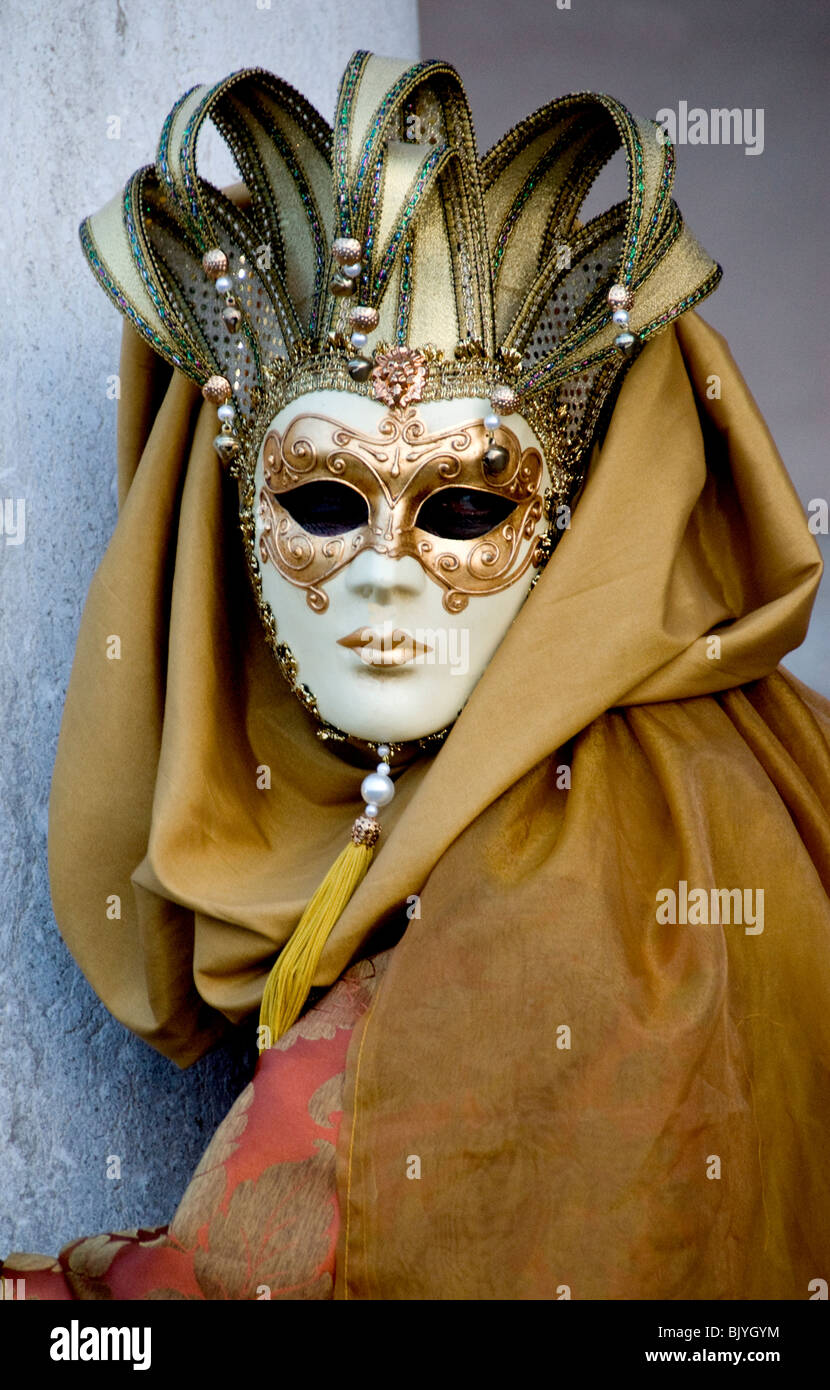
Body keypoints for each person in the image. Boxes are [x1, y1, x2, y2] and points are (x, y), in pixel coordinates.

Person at [3, 51, 828, 1300]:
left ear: (567, 523)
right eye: (324, 500)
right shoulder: (670, 763)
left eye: (459, 506)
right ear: (224, 524)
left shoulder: (578, 861)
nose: (386, 575)